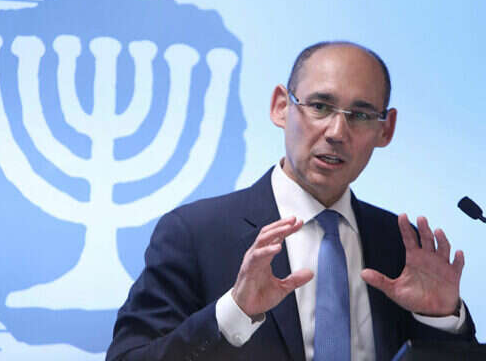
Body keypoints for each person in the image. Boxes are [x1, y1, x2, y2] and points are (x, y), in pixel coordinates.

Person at [106, 41, 476, 361]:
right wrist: (234, 313)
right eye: (320, 106)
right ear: (281, 106)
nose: (336, 132)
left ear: (386, 129)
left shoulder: (401, 246)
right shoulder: (195, 233)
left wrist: (440, 319)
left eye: (361, 115)